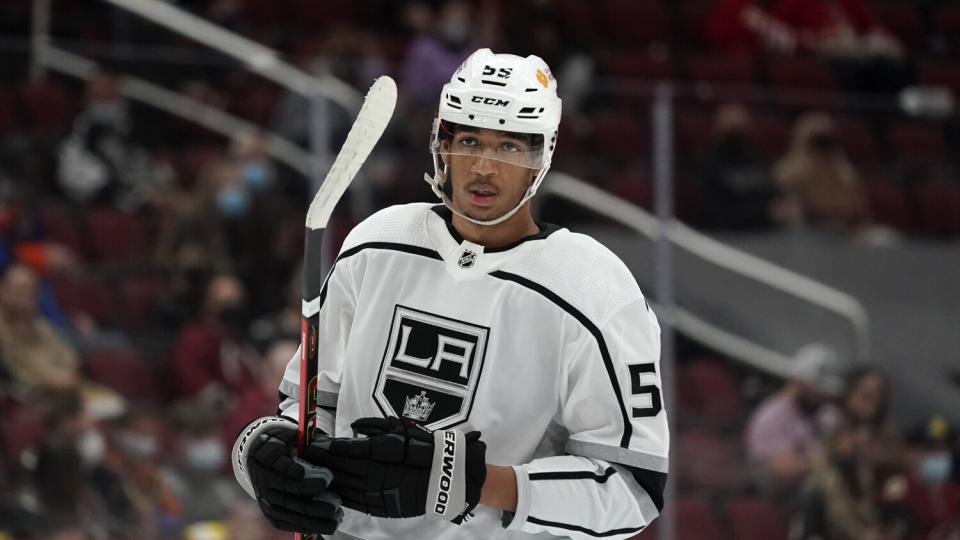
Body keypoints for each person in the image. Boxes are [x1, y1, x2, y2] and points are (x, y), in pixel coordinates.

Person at [232, 49, 668, 539]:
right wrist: (266, 450)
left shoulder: (592, 289)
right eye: (469, 141)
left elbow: (633, 488)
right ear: (441, 144)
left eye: (508, 148)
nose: (484, 167)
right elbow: (310, 406)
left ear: (540, 159)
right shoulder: (376, 243)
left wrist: (469, 481)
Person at [746, 343, 844, 496]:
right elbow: (782, 470)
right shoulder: (770, 417)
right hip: (783, 501)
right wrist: (832, 457)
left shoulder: (824, 413)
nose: (822, 396)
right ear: (797, 381)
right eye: (816, 389)